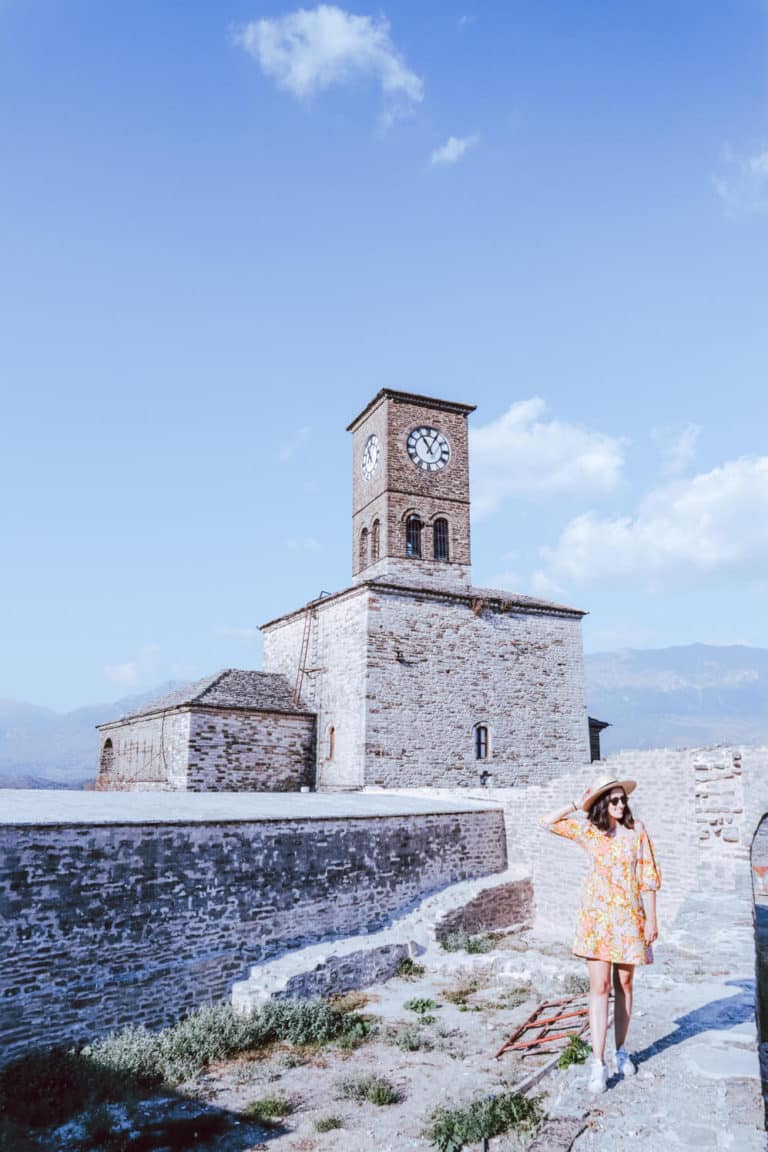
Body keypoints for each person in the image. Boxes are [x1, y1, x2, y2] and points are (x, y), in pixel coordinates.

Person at [539, 773, 661, 1094]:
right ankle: (598, 1063)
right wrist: (576, 804)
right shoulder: (590, 831)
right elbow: (546, 822)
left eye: (623, 799)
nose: (621, 805)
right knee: (599, 985)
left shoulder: (637, 832)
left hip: (628, 916)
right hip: (596, 917)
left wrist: (652, 919)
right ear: (603, 803)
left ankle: (621, 1052)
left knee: (624, 983)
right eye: (615, 800)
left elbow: (648, 876)